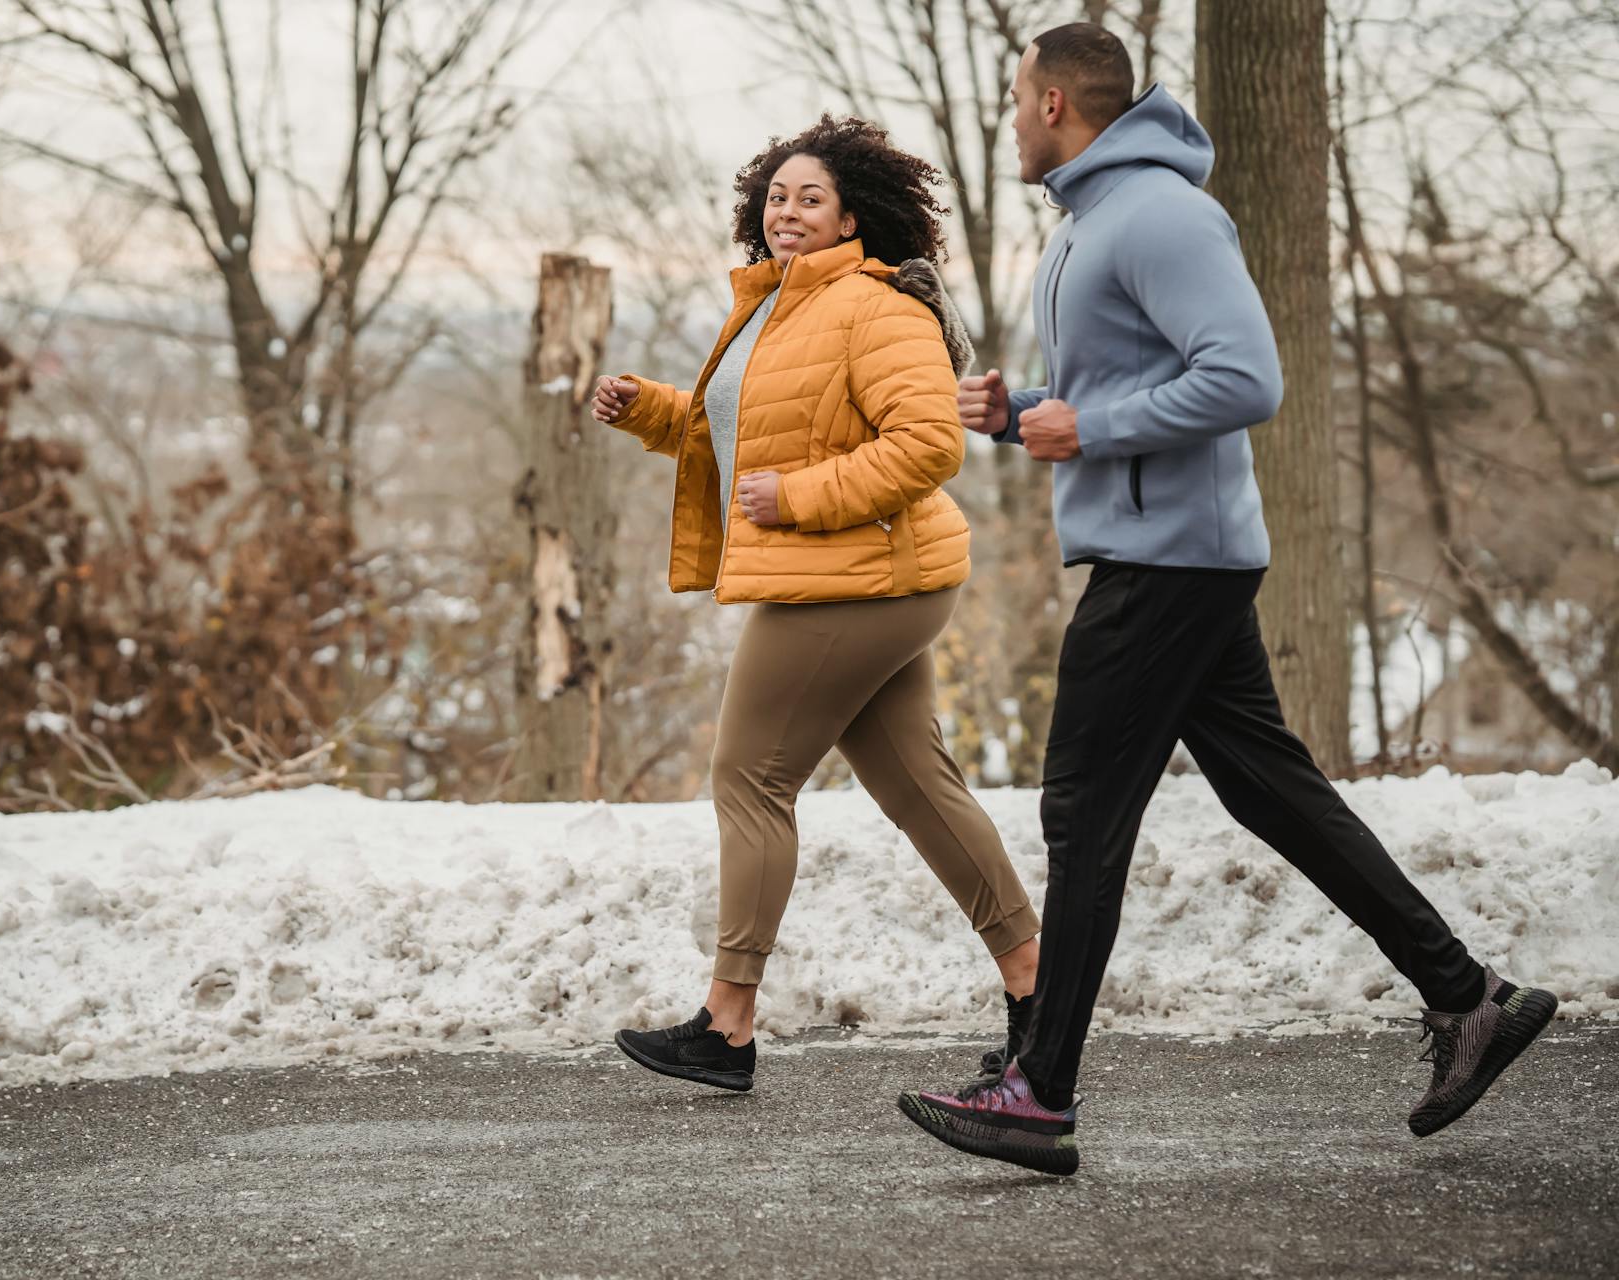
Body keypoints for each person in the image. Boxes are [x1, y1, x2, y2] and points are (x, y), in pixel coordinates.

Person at [895, 23, 1557, 1175]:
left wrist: (1089, 425)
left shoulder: (1160, 214)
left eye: (1014, 99)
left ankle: (1039, 1091)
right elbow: (1134, 381)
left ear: (1055, 102)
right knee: (1272, 792)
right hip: (1162, 548)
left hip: (1170, 561)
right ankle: (1468, 997)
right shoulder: (1098, 221)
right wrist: (1027, 412)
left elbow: (1246, 375)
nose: (1007, 120)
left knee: (1082, 811)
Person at [597, 116, 1042, 1093]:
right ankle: (1036, 989)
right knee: (915, 786)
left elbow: (929, 444)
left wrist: (798, 498)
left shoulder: (876, 306)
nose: (787, 210)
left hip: (853, 576)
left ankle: (727, 1024)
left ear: (854, 218)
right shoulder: (773, 310)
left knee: (749, 777)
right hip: (861, 577)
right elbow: (745, 439)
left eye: (811, 198)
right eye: (777, 195)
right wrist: (648, 410)